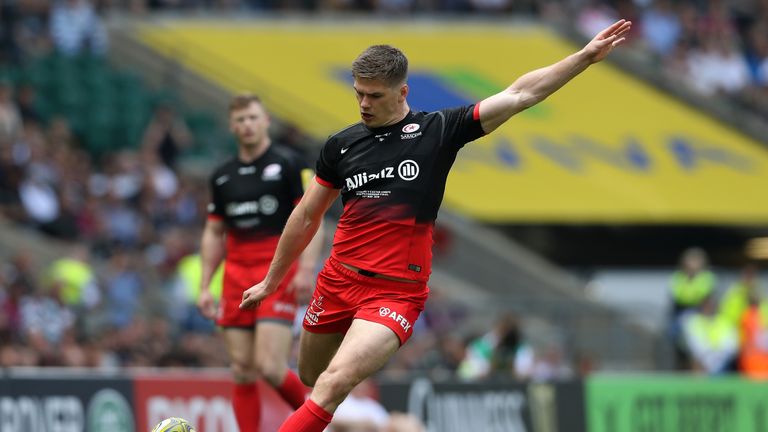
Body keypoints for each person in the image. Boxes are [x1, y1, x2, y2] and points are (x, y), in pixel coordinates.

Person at [240, 19, 632, 432]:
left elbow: (519, 94)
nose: (364, 103)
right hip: (337, 280)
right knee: (310, 376)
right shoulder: (341, 145)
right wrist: (271, 280)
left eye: (374, 95)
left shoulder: (438, 130)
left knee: (333, 385)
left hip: (395, 291)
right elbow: (306, 216)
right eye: (359, 93)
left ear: (402, 92)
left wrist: (584, 57)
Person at [197, 93, 324, 432]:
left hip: (277, 272)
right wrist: (205, 285)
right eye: (240, 120)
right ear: (231, 126)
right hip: (236, 275)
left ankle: (320, 422)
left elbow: (313, 215)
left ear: (265, 121)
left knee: (269, 366)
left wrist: (306, 270)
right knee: (241, 368)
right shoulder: (222, 176)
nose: (247, 125)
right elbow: (213, 232)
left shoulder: (290, 164)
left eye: (253, 118)